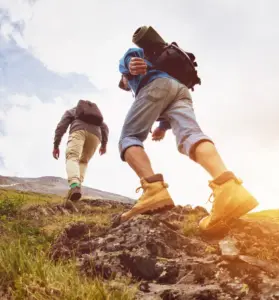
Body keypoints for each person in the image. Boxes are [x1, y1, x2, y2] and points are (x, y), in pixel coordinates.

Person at [117, 26, 259, 233]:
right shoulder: (163, 65)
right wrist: (163, 127)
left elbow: (129, 60)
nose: (125, 85)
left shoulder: (133, 62)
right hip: (181, 91)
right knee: (191, 136)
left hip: (156, 85)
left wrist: (129, 67)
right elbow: (167, 98)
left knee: (129, 137)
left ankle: (153, 190)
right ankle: (228, 186)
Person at [52, 100, 109, 201]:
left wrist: (56, 145)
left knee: (72, 157)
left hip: (78, 131)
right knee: (83, 161)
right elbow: (105, 128)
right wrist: (104, 145)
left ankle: (75, 185)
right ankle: (77, 188)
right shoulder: (96, 117)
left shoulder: (72, 111)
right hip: (95, 136)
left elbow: (61, 126)